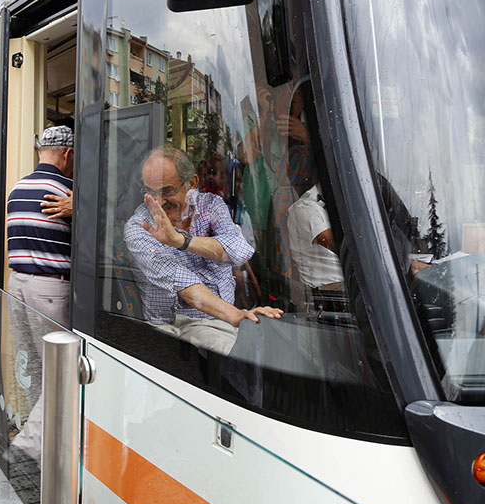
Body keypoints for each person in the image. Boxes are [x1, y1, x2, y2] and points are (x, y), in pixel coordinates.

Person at [124, 146, 283, 355]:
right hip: (173, 326)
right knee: (238, 359)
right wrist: (236, 315)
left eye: (167, 190)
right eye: (150, 191)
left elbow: (239, 251)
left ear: (192, 183)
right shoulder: (138, 226)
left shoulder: (211, 205)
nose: (158, 201)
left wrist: (181, 240)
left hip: (222, 320)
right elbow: (182, 281)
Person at [5, 125, 74, 460]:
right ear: (68, 154)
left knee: (33, 364)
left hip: (16, 284)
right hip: (49, 288)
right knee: (59, 368)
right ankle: (33, 443)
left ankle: (40, 434)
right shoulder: (68, 191)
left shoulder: (18, 188)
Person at [286, 182, 345, 290]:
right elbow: (342, 247)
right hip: (328, 288)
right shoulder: (305, 207)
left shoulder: (338, 200)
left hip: (347, 281)